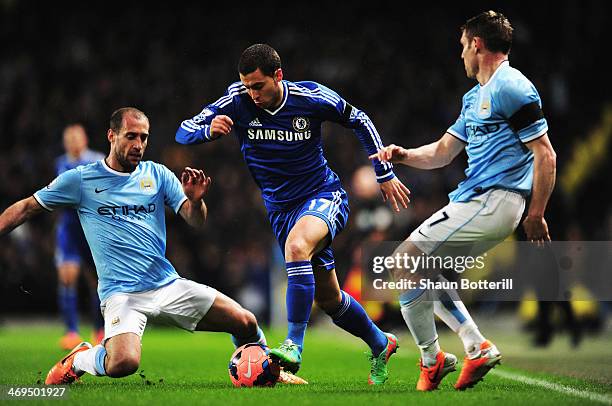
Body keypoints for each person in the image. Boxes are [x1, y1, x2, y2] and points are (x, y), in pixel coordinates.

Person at [0, 107, 303, 386]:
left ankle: (272, 372)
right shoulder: (82, 179)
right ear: (112, 136)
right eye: (131, 136)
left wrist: (197, 202)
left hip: (166, 284)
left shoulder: (156, 174)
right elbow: (27, 207)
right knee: (123, 362)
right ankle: (79, 359)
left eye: (143, 138)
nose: (138, 144)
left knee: (246, 321)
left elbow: (194, 219)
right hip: (122, 294)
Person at [176, 44, 411, 384]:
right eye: (246, 86)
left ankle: (293, 344)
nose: (252, 94)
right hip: (281, 210)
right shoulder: (236, 101)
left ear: (278, 76)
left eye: (258, 85)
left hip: (323, 196)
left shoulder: (310, 97)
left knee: (297, 248)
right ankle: (380, 343)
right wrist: (206, 131)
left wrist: (385, 173)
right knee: (328, 298)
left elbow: (359, 119)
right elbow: (183, 130)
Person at [370, 11, 556, 391]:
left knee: (403, 261)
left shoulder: (512, 86)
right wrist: (403, 155)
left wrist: (536, 213)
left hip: (495, 201)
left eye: (462, 47)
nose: (460, 56)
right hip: (480, 201)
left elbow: (546, 154)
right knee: (419, 271)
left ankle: (431, 360)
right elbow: (442, 152)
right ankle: (475, 346)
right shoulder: (473, 98)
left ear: (477, 44)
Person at [54, 124, 106, 350]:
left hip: (91, 229)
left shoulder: (98, 160)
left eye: (76, 137)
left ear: (84, 139)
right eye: (69, 138)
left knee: (97, 281)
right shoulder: (61, 162)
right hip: (69, 229)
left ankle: (99, 330)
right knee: (67, 277)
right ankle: (72, 332)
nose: (73, 142)